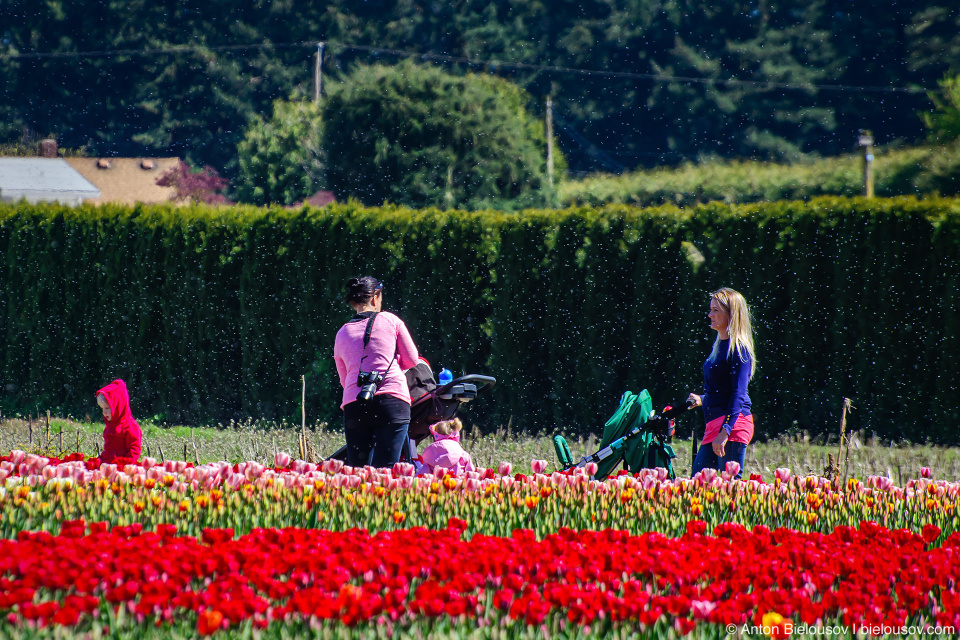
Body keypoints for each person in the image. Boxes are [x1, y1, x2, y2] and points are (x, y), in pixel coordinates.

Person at [334, 276, 420, 468]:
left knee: (358, 473)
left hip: (356, 405)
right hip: (392, 402)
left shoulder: (342, 333)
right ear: (374, 298)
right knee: (386, 471)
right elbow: (412, 359)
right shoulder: (391, 320)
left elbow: (345, 379)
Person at [687, 288, 756, 480]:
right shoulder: (718, 347)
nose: (710, 314)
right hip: (714, 426)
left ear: (731, 313)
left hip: (732, 426)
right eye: (711, 309)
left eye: (716, 310)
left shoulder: (739, 349)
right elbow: (722, 390)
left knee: (729, 487)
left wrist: (725, 431)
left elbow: (738, 393)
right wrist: (701, 399)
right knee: (697, 484)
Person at [96, 379, 142, 465]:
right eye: (102, 409)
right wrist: (99, 462)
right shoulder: (110, 426)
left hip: (122, 469)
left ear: (117, 407)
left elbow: (134, 451)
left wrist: (123, 466)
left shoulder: (130, 427)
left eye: (107, 408)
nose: (104, 412)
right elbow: (108, 452)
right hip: (108, 468)